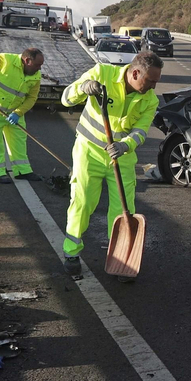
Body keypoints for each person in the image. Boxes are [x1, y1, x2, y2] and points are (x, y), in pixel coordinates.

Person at [58, 51, 162, 278]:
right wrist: (83, 88)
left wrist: (125, 145)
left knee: (123, 210)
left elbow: (141, 131)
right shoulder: (102, 73)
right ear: (135, 73)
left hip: (122, 159)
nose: (154, 87)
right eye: (151, 81)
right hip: (89, 153)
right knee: (83, 201)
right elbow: (66, 98)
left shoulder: (150, 100)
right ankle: (71, 253)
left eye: (156, 82)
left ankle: (121, 258)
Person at [0, 47, 44, 183]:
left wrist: (18, 112)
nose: (39, 68)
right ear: (27, 60)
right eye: (37, 65)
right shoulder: (5, 60)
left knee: (19, 140)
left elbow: (31, 98)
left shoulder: (35, 75)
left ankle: (22, 170)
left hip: (15, 111)